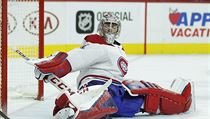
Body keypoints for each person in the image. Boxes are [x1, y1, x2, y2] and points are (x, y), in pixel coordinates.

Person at [34, 12, 192, 119]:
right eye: (106, 24)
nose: (110, 28)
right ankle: (79, 105)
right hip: (98, 87)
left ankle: (181, 102)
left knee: (143, 99)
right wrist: (54, 67)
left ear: (118, 29)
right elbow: (76, 58)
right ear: (100, 27)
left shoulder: (117, 48)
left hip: (117, 89)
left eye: (113, 25)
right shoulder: (96, 45)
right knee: (103, 100)